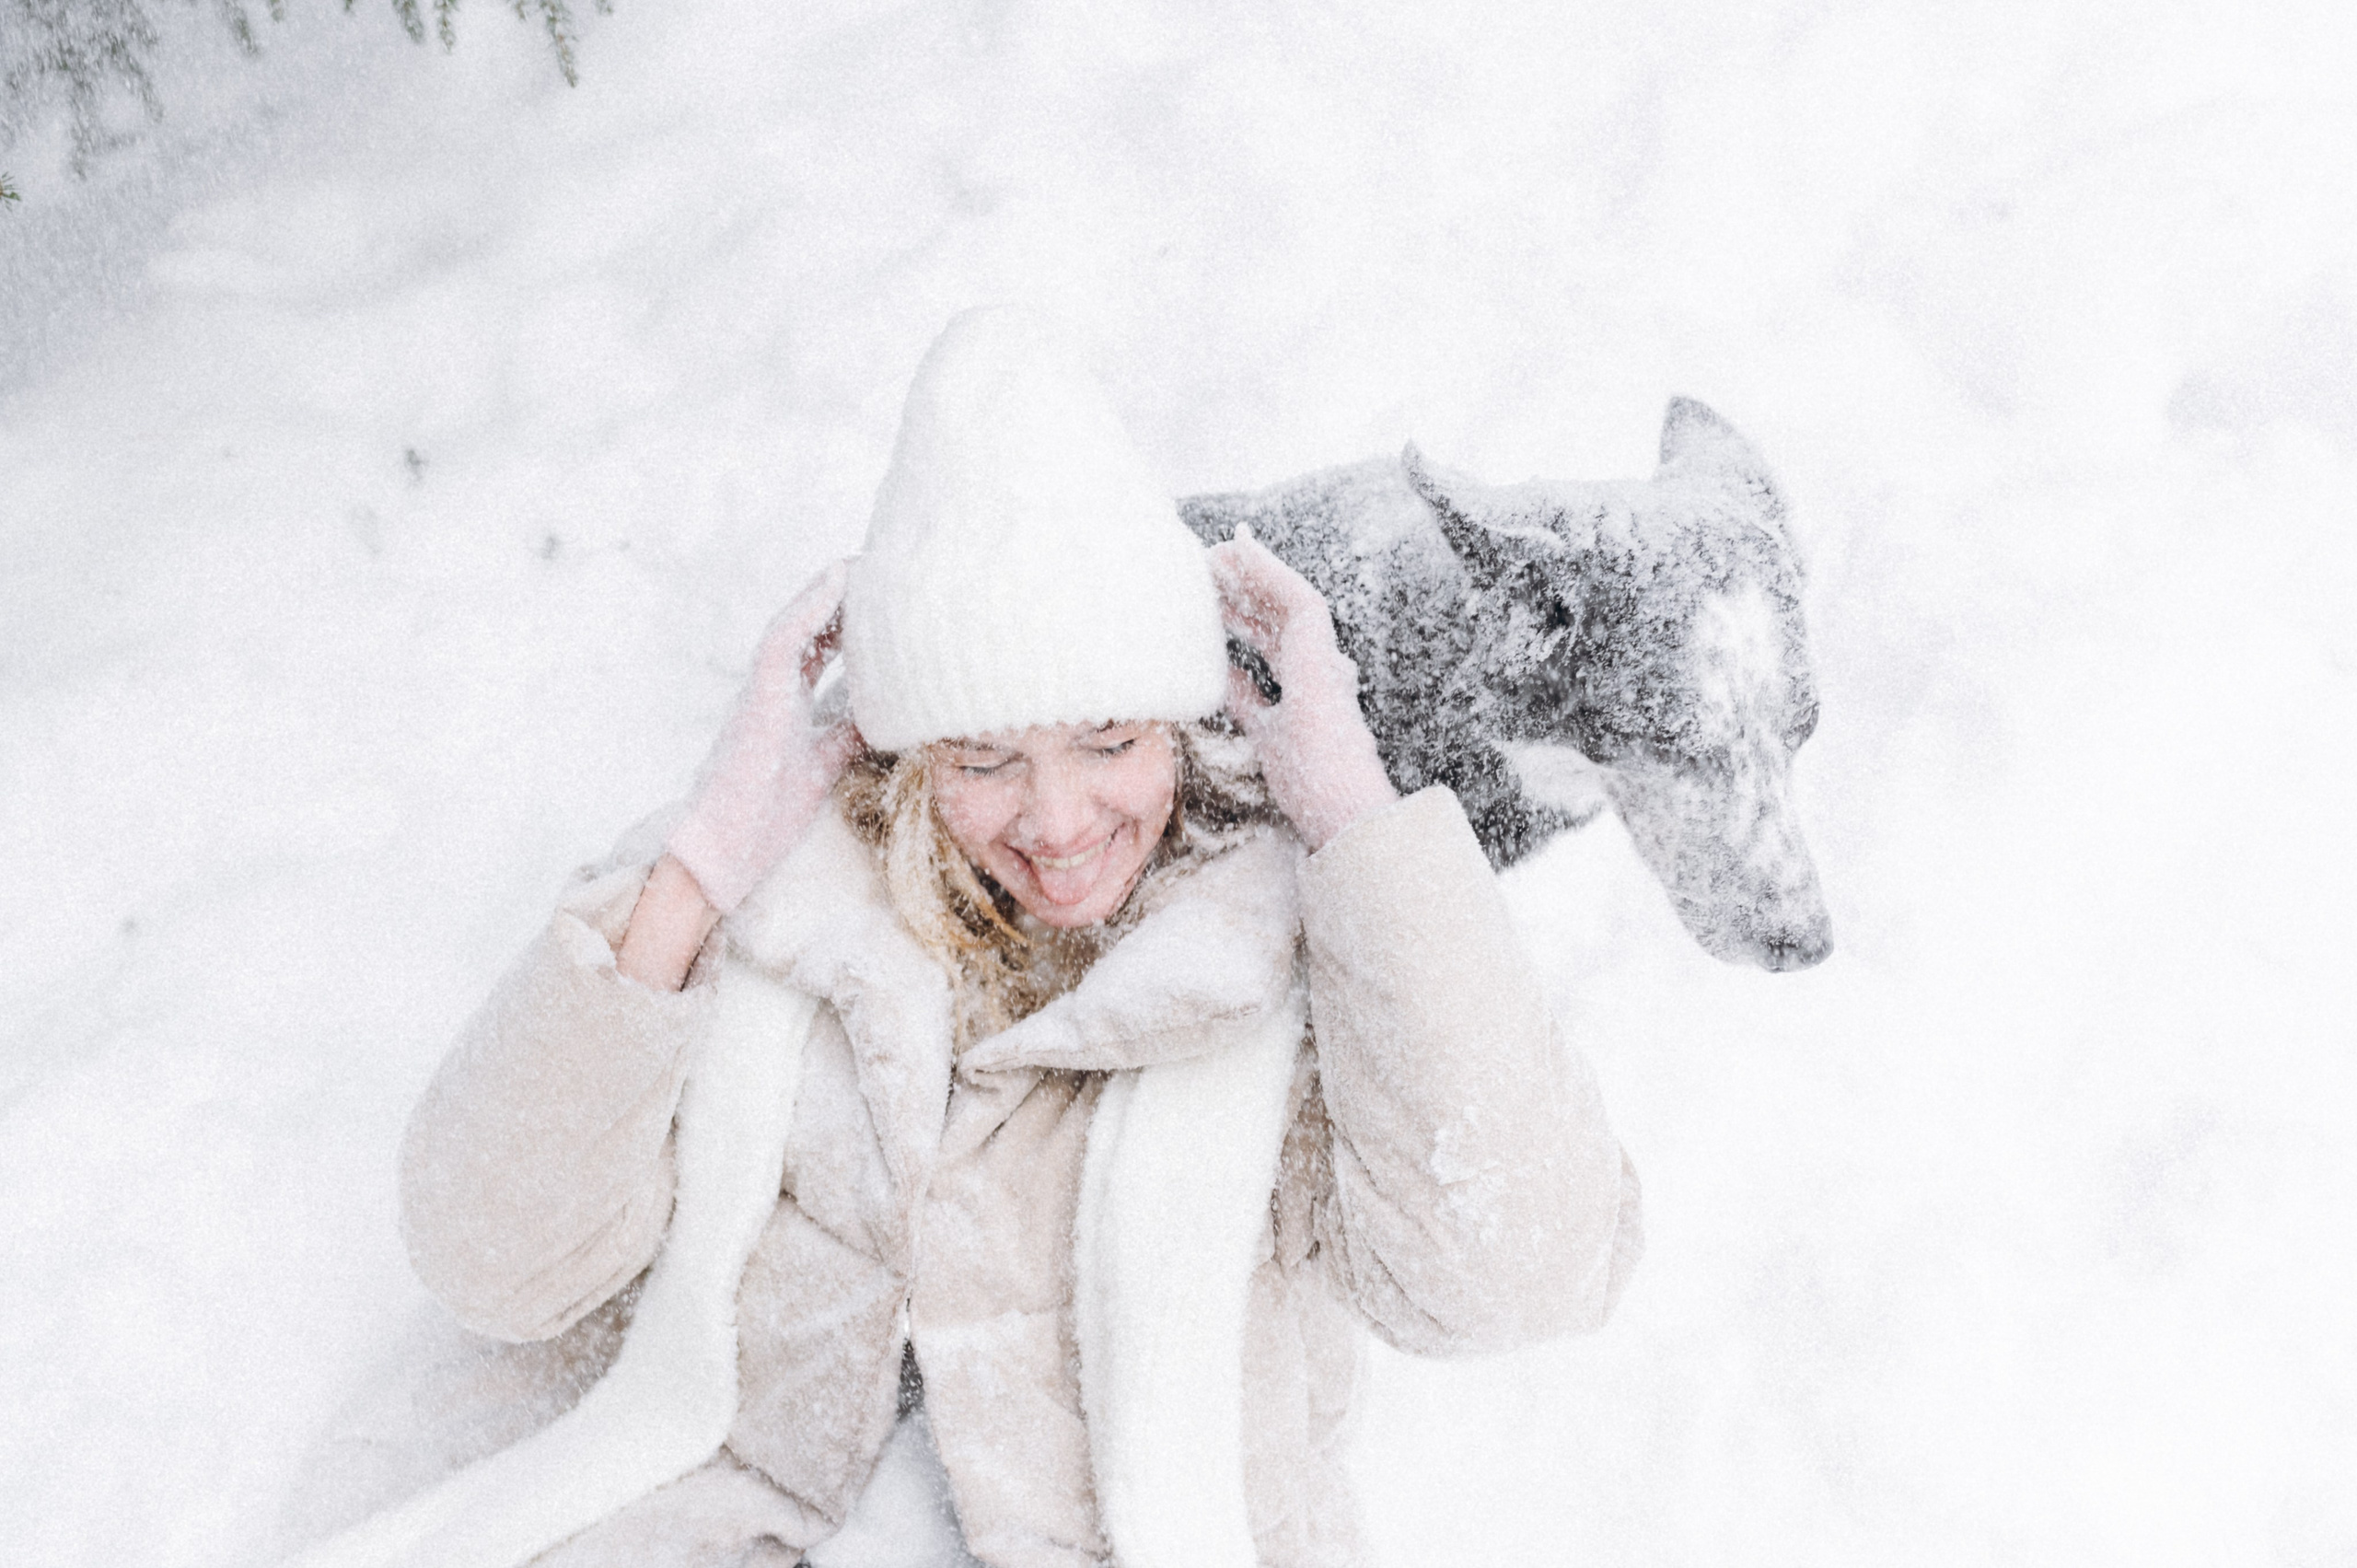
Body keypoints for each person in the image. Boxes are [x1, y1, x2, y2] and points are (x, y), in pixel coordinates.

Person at [300, 308, 1641, 1568]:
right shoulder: (772, 915)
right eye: (989, 759)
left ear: (1178, 725)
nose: (1059, 822)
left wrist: (1356, 818)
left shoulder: (1281, 968)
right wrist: (700, 868)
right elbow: (490, 1263)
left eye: (1111, 741)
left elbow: (1519, 1275)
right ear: (909, 756)